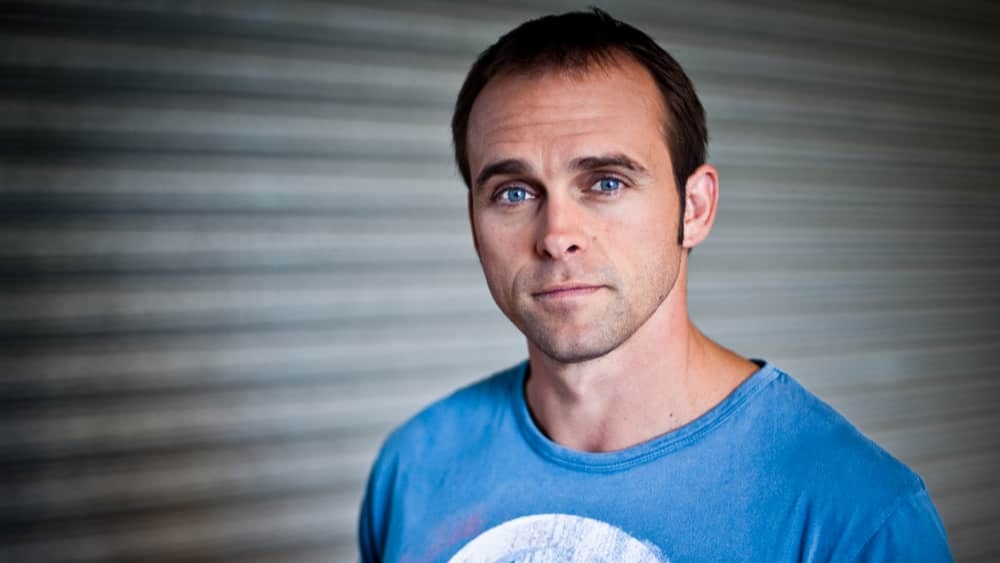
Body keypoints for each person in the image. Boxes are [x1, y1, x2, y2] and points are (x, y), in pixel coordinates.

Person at [358, 9, 954, 563]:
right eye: (513, 193)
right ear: (473, 223)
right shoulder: (412, 469)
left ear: (695, 208)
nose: (557, 236)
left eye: (606, 182)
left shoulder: (862, 517)